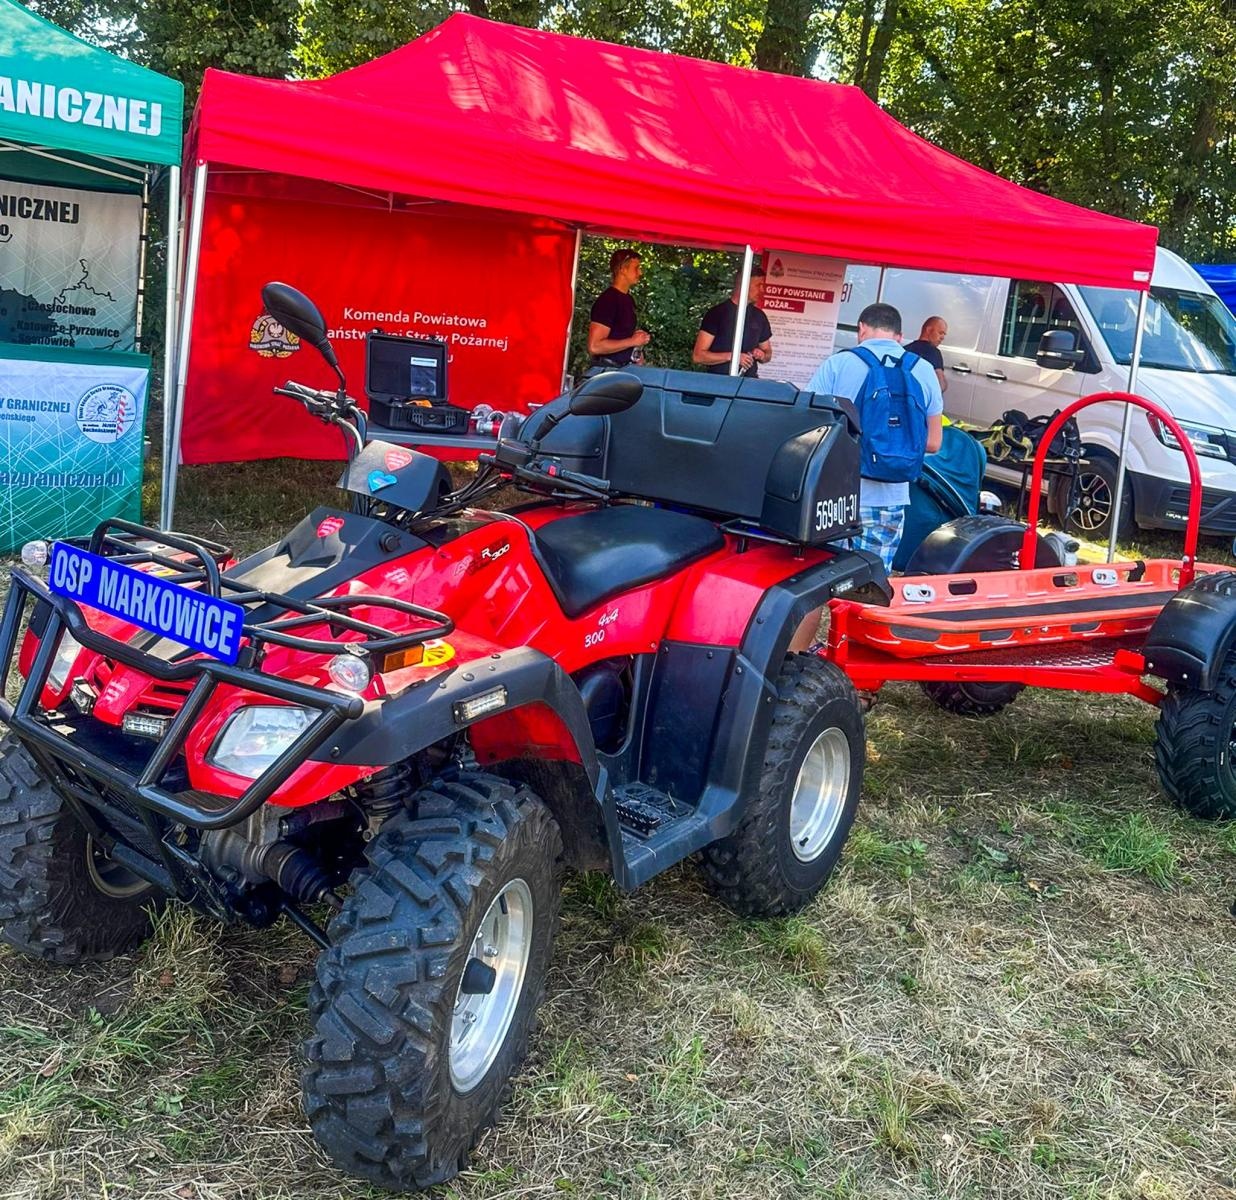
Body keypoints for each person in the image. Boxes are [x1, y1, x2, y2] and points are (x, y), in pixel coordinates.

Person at [806, 302, 944, 572]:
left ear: (861, 329)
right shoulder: (924, 370)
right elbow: (933, 443)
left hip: (834, 495)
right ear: (899, 337)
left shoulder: (838, 364)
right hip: (889, 498)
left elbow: (811, 428)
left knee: (816, 583)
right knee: (870, 583)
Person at [692, 268, 773, 375]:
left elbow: (768, 352)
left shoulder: (759, 316)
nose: (762, 290)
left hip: (749, 384)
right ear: (743, 285)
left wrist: (762, 355)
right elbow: (698, 356)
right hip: (718, 383)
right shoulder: (717, 313)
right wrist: (733, 357)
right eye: (758, 285)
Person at [588, 248, 651, 367]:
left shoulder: (629, 299)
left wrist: (635, 346)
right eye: (636, 268)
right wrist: (632, 341)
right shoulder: (607, 300)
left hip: (624, 370)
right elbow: (594, 346)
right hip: (607, 372)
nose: (640, 273)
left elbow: (622, 337)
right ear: (622, 269)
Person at [903, 315, 949, 394]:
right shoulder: (934, 352)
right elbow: (940, 386)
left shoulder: (904, 350)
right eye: (940, 333)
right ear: (929, 330)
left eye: (944, 335)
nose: (942, 337)